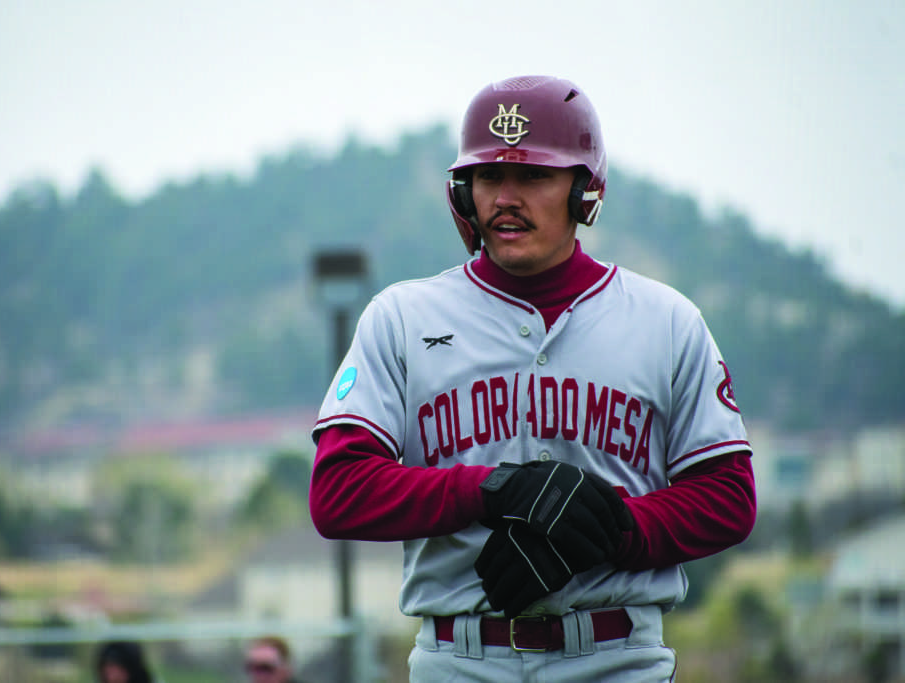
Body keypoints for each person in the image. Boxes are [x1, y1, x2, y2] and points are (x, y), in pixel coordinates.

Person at [309, 74, 756, 682]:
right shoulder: (403, 318)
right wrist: (486, 491)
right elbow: (339, 493)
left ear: (584, 192)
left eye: (535, 176)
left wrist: (616, 529)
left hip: (616, 656)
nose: (506, 197)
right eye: (490, 176)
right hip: (457, 658)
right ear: (464, 194)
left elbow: (729, 499)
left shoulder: (667, 321)